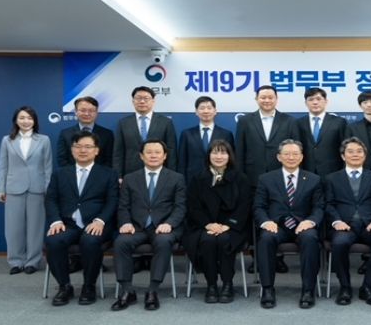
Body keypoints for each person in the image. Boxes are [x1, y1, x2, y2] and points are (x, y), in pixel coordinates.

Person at [44, 131, 119, 306]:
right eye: (78, 146)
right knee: (53, 241)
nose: (82, 150)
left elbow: (113, 201)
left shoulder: (108, 174)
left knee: (90, 241)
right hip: (68, 224)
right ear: (72, 150)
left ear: (96, 150)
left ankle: (89, 286)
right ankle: (64, 286)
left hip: (97, 223)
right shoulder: (60, 174)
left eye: (88, 147)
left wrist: (100, 221)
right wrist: (56, 221)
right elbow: (51, 199)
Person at [111, 139, 186, 311]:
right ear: (141, 156)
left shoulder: (176, 178)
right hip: (137, 227)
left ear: (165, 156)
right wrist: (126, 223)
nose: (153, 155)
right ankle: (127, 290)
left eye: (157, 152)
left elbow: (180, 207)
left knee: (163, 241)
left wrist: (169, 223)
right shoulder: (130, 178)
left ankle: (153, 290)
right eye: (149, 152)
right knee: (121, 242)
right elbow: (123, 206)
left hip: (164, 227)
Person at [235, 85, 299, 273]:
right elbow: (240, 151)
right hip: (253, 178)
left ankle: (278, 258)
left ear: (276, 99)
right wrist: (241, 178)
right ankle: (257, 258)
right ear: (256, 99)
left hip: (282, 179)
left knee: (279, 216)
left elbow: (296, 150)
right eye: (263, 97)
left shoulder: (289, 121)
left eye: (270, 97)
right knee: (256, 217)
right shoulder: (245, 121)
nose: (267, 100)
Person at [254, 140, 324, 309]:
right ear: (279, 157)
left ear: (302, 157)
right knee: (266, 239)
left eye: (295, 154)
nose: (291, 157)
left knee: (310, 238)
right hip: (276, 225)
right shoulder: (266, 179)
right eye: (286, 154)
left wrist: (310, 221)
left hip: (303, 226)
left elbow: (319, 207)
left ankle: (308, 290)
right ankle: (267, 289)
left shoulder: (313, 179)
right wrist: (266, 221)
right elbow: (258, 206)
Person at [324, 137, 371, 306]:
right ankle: (345, 287)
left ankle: (367, 287)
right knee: (339, 243)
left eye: (359, 151)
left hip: (370, 225)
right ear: (343, 156)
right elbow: (328, 204)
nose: (355, 154)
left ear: (365, 155)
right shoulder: (331, 178)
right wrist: (336, 221)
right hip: (344, 226)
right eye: (350, 151)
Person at [184, 139, 250, 304]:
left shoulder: (240, 178)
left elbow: (245, 206)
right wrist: (208, 224)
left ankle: (227, 284)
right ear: (208, 155)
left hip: (232, 226)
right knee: (208, 240)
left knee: (224, 240)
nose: (219, 157)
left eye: (223, 152)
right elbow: (193, 207)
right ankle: (211, 285)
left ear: (229, 156)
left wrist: (228, 225)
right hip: (204, 225)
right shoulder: (198, 178)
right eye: (215, 152)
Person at [0, 106, 52, 275]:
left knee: (36, 227)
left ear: (34, 121)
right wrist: (0, 188)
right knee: (13, 227)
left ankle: (33, 261)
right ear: (16, 120)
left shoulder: (44, 140)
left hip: (37, 188)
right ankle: (15, 261)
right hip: (13, 188)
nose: (26, 121)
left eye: (29, 118)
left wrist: (48, 189)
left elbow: (48, 167)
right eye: (22, 118)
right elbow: (2, 166)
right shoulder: (7, 140)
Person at [113, 86, 177, 180]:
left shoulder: (165, 122)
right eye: (138, 98)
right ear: (133, 101)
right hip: (130, 173)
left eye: (146, 98)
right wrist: (118, 176)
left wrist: (171, 175)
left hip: (160, 173)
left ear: (153, 101)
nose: (142, 101)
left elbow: (171, 151)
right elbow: (118, 152)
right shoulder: (124, 123)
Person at [177, 96, 234, 183]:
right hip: (193, 180)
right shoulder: (186, 134)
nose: (206, 111)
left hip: (219, 180)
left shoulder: (226, 134)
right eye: (202, 108)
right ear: (196, 112)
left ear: (215, 111)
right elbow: (182, 162)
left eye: (209, 108)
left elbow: (231, 160)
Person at [297, 87, 347, 178]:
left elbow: (345, 148)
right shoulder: (299, 123)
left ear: (326, 101)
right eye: (311, 99)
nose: (315, 102)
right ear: (306, 103)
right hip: (306, 172)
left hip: (333, 172)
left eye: (318, 99)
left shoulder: (339, 122)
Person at [56, 96, 114, 168]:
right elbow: (62, 159)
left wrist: (97, 173)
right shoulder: (65, 133)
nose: (87, 114)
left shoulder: (107, 134)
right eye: (83, 110)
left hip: (100, 174)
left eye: (91, 111)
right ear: (76, 112)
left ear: (96, 112)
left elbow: (109, 160)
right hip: (71, 174)